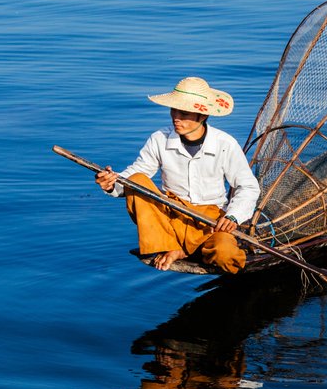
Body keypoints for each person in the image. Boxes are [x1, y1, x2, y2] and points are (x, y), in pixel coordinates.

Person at [95, 76, 260, 273]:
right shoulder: (159, 139)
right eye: (174, 110)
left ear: (203, 115)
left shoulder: (224, 144)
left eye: (184, 112)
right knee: (136, 180)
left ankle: (183, 250)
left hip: (210, 222)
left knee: (226, 255)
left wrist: (233, 217)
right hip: (172, 217)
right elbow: (137, 173)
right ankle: (173, 245)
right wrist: (113, 183)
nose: (176, 117)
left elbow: (248, 186)